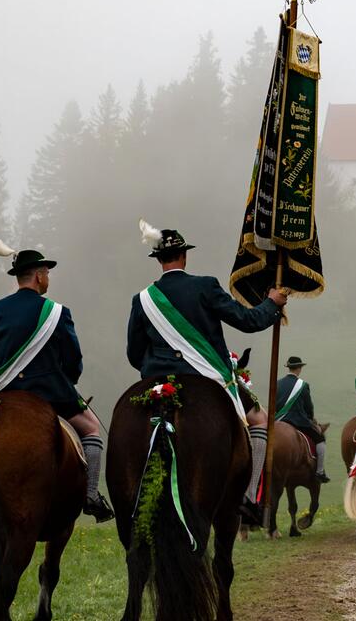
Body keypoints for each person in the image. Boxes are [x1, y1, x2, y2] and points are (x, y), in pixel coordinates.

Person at [127, 221, 286, 524]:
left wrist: (158, 371)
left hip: (159, 383)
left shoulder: (143, 300)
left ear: (159, 261)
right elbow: (248, 320)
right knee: (259, 420)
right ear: (184, 257)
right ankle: (250, 497)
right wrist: (272, 303)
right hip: (208, 379)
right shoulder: (205, 286)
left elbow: (134, 354)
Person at [0, 241, 114, 522]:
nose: (48, 278)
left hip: (4, 394)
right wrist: (67, 382)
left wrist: (3, 378)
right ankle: (91, 494)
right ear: (38, 275)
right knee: (91, 428)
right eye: (47, 273)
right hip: (50, 394)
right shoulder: (58, 312)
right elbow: (73, 360)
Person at [275, 356, 329, 483]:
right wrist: (311, 419)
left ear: (289, 368)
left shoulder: (277, 383)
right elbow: (308, 407)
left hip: (279, 421)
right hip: (298, 421)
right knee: (320, 439)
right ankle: (320, 471)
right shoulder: (303, 385)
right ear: (299, 368)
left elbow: (276, 404)